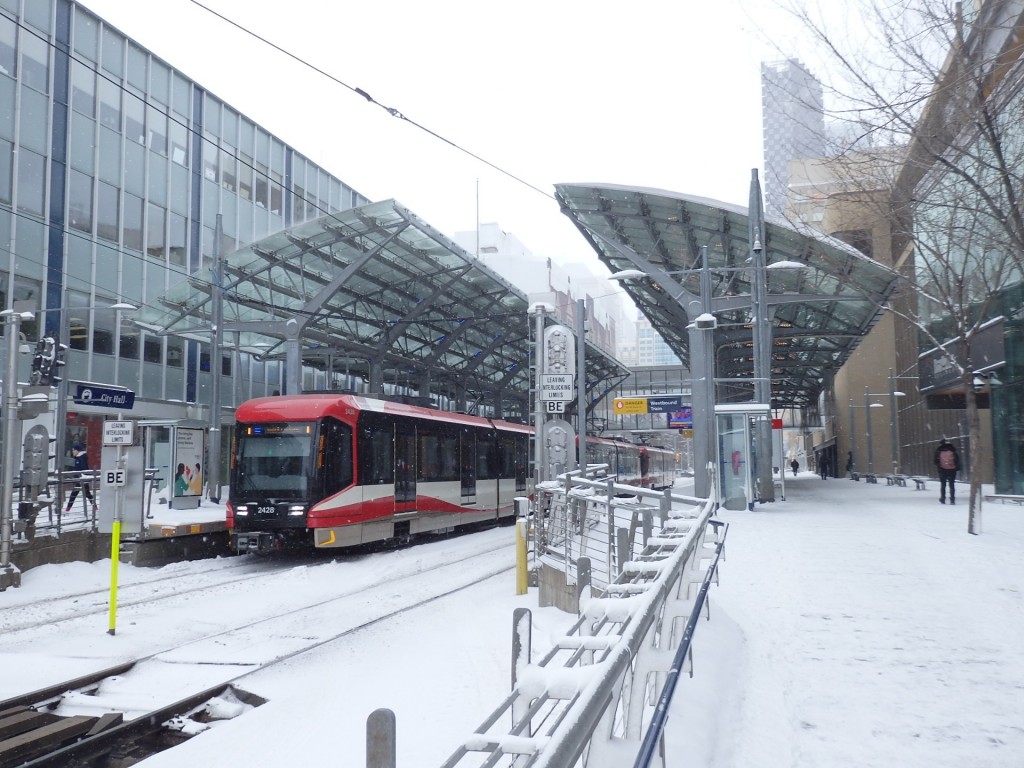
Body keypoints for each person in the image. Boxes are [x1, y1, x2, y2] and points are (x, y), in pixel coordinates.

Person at [65, 443, 96, 514]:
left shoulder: (81, 458)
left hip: (82, 479)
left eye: (73, 450)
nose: (72, 452)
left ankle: (67, 509)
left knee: (74, 494)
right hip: (80, 479)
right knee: (87, 494)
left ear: (77, 451)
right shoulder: (78, 458)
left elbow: (84, 468)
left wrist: (83, 476)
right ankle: (95, 507)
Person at [934, 438, 961, 504]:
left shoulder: (939, 451)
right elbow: (957, 460)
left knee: (943, 485)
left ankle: (943, 499)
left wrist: (940, 466)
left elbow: (935, 461)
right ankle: (952, 500)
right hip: (952, 470)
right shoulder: (952, 450)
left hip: (942, 470)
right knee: (952, 485)